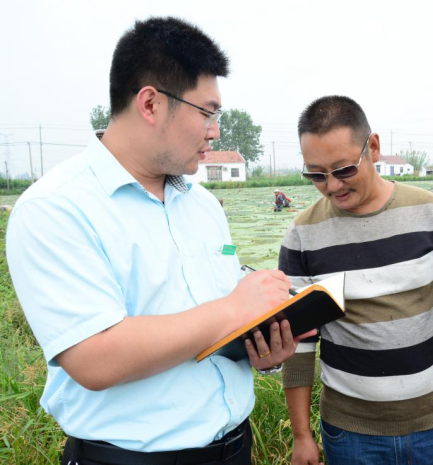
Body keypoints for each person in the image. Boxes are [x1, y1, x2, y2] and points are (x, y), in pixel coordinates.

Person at [6, 17, 310, 465]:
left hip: (233, 449)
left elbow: (214, 323)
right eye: (207, 112)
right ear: (150, 103)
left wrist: (262, 348)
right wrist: (235, 309)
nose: (215, 131)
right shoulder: (56, 208)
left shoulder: (203, 205)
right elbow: (94, 357)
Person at [278, 96, 433, 465]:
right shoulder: (302, 236)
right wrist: (301, 435)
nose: (331, 185)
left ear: (373, 147)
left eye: (343, 169)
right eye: (316, 175)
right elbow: (300, 340)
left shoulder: (431, 213)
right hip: (350, 435)